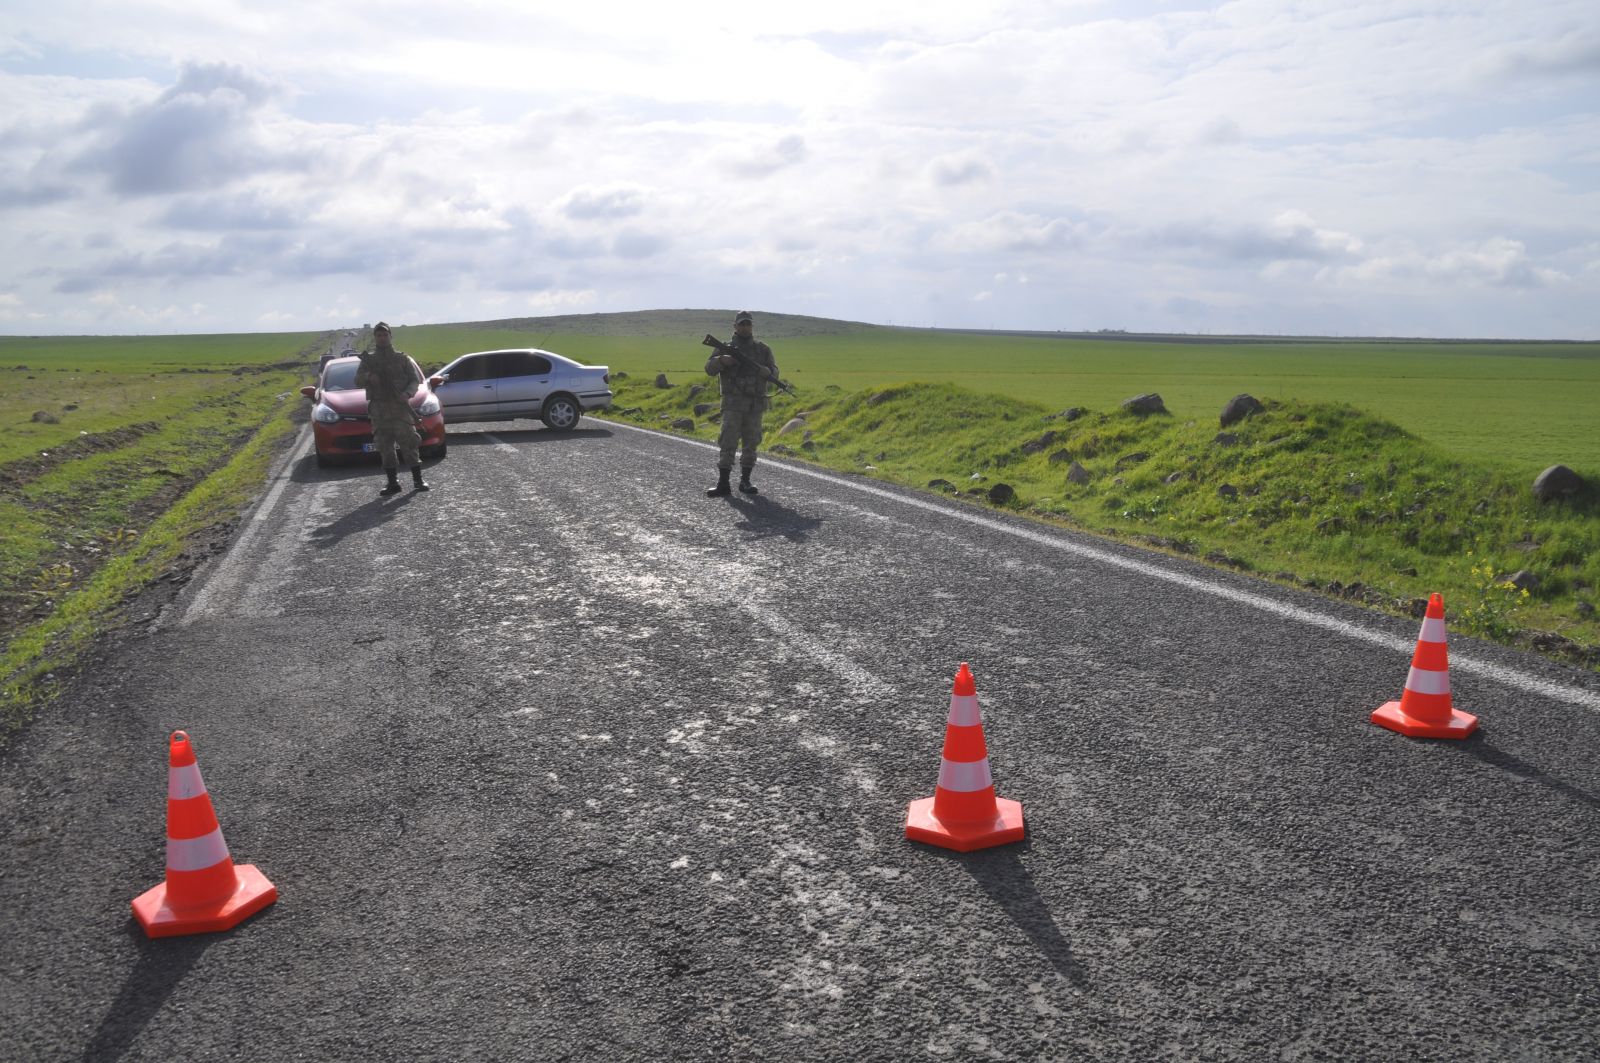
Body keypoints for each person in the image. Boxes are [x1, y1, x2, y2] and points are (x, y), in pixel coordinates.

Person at [704, 310, 778, 497]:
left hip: (755, 404)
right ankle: (723, 483)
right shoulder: (725, 347)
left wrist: (767, 372)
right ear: (735, 326)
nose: (745, 327)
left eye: (748, 324)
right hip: (733, 404)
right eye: (742, 324)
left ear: (752, 326)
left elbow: (775, 373)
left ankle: (745, 481)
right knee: (728, 441)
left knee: (751, 442)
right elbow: (709, 369)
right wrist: (721, 360)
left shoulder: (763, 349)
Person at [355, 322, 430, 496]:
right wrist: (368, 377)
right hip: (379, 410)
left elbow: (414, 380)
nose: (382, 338)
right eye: (379, 335)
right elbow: (357, 380)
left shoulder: (402, 359)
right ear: (375, 338)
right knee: (384, 447)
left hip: (400, 409)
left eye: (385, 335)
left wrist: (407, 393)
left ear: (390, 336)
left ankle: (418, 480)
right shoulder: (369, 361)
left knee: (409, 443)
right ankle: (392, 483)